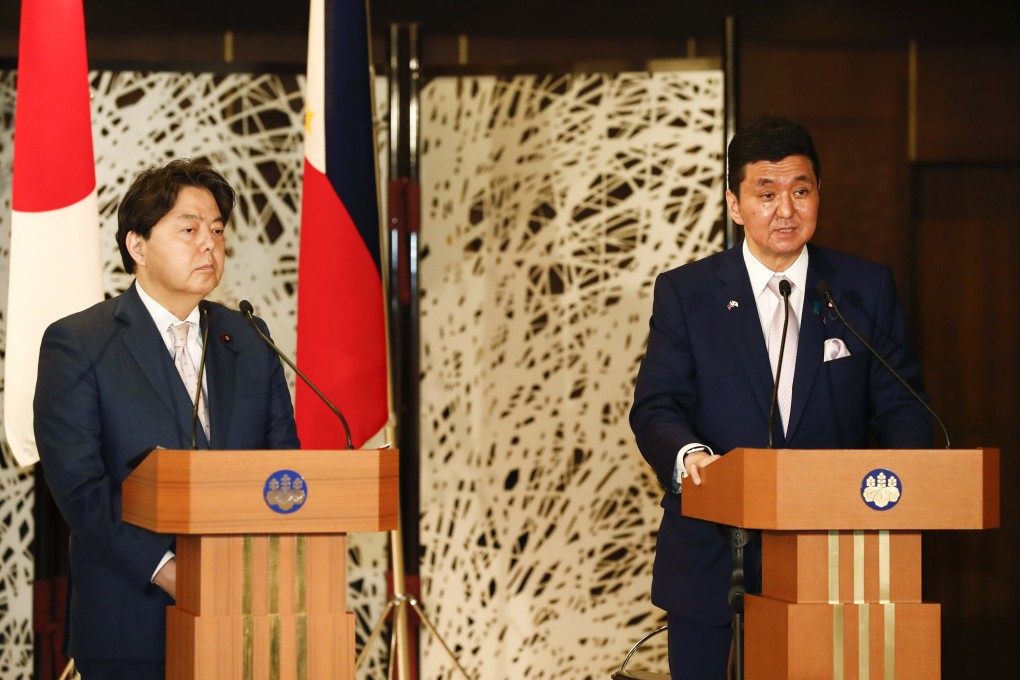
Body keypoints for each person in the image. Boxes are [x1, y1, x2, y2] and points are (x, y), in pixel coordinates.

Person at [629, 116, 932, 678]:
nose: (785, 210)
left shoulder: (863, 289)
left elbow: (902, 404)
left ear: (819, 194)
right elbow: (657, 405)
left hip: (837, 558)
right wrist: (690, 456)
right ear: (735, 204)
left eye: (800, 191)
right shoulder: (687, 293)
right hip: (714, 558)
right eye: (766, 194)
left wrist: (904, 485)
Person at [34, 159, 300, 679]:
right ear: (138, 246)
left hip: (247, 617)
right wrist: (169, 570)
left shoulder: (248, 336)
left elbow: (281, 463)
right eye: (189, 229)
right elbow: (80, 487)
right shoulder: (80, 343)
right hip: (131, 623)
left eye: (218, 230)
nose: (210, 243)